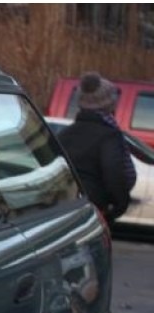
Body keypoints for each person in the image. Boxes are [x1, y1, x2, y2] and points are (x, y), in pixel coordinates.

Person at [57, 71, 137, 221]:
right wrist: (121, 204)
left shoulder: (64, 134)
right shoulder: (109, 136)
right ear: (109, 103)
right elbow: (113, 173)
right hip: (93, 210)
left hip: (66, 207)